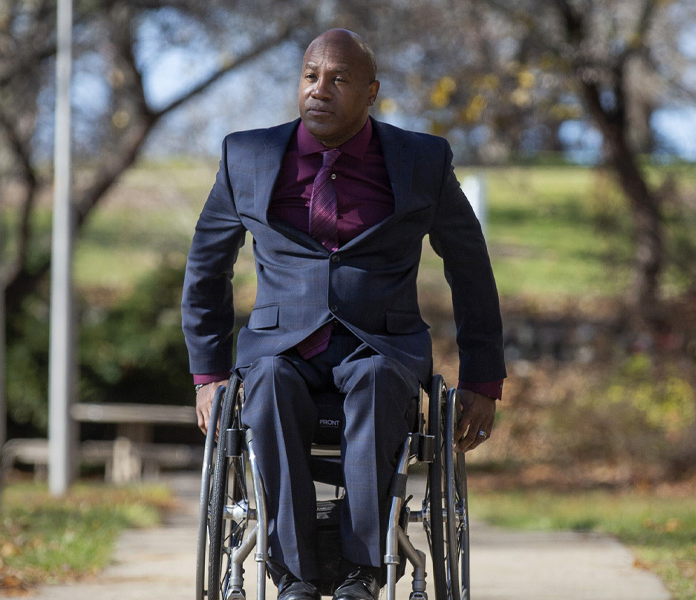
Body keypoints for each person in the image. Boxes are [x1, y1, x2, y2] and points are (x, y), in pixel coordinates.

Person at [182, 29, 506, 600]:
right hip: (281, 350)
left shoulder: (422, 160)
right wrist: (208, 376)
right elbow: (207, 269)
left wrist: (482, 380)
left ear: (372, 91)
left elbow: (471, 269)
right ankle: (295, 577)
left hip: (380, 348)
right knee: (270, 387)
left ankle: (364, 572)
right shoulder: (248, 156)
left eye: (339, 79)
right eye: (311, 76)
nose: (320, 89)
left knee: (380, 381)